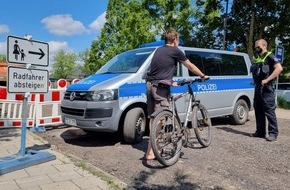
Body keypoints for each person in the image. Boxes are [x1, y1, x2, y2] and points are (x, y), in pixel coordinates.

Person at [145, 28, 209, 160]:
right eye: (178, 40)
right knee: (161, 119)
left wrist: (170, 81)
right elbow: (190, 66)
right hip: (160, 88)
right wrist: (202, 75)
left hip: (150, 85)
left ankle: (149, 150)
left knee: (153, 117)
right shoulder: (175, 50)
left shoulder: (158, 50)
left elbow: (160, 69)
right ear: (175, 40)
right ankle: (153, 152)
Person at [250, 39, 283, 141]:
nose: (256, 48)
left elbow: (279, 68)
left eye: (258, 46)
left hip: (267, 88)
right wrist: (255, 81)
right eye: (256, 46)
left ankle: (273, 134)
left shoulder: (270, 56)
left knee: (269, 110)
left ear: (264, 46)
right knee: (258, 109)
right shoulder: (258, 58)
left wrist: (268, 79)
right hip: (258, 87)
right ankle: (260, 131)